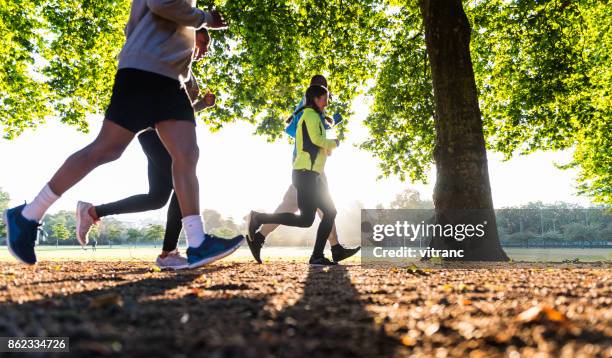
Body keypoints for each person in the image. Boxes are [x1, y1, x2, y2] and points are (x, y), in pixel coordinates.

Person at [3, 1, 243, 268]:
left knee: (187, 154)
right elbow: (161, 3)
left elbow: (137, 25)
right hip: (146, 71)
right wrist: (204, 18)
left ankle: (197, 242)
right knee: (106, 149)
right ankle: (28, 215)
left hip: (170, 78)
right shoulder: (194, 15)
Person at [76, 31, 216, 270]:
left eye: (206, 46)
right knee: (181, 183)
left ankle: (92, 211)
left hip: (156, 135)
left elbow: (179, 115)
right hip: (153, 133)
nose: (205, 50)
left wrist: (203, 104)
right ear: (189, 38)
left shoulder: (187, 73)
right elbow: (162, 105)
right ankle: (168, 252)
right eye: (202, 43)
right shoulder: (173, 62)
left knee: (157, 198)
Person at [246, 75, 360, 264]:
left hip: (311, 166)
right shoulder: (307, 106)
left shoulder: (315, 110)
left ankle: (260, 235)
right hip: (305, 165)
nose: (327, 98)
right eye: (324, 92)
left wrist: (329, 125)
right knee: (317, 209)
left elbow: (317, 130)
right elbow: (293, 129)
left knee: (315, 208)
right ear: (316, 92)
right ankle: (331, 249)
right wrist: (324, 138)